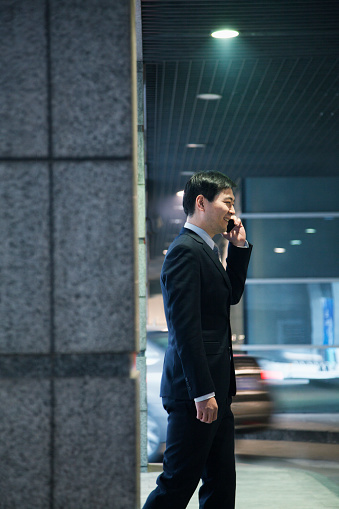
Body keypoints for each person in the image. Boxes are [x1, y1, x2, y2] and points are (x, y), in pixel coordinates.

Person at [143, 171, 252, 509]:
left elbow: (230, 295)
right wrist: (203, 394)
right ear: (201, 203)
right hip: (196, 396)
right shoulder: (185, 252)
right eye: (228, 203)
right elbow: (185, 330)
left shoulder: (205, 250)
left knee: (221, 486)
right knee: (176, 484)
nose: (232, 212)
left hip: (216, 392)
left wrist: (238, 249)